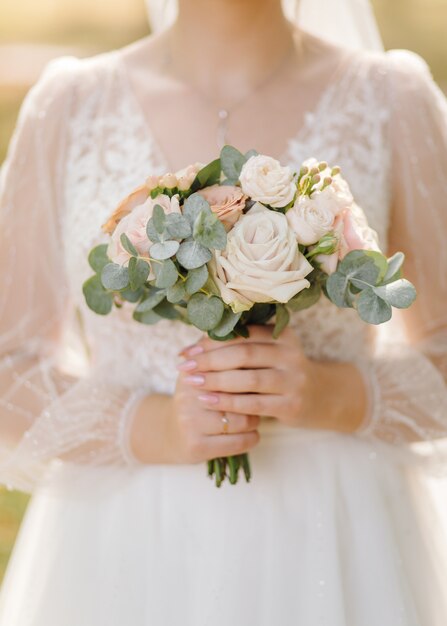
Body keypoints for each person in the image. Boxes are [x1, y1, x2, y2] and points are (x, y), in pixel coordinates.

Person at [0, 0, 446, 623]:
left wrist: (330, 394)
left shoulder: (392, 97)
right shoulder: (69, 106)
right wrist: (155, 426)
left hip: (335, 536)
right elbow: (8, 366)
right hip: (125, 548)